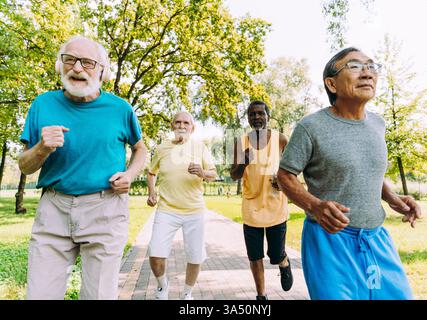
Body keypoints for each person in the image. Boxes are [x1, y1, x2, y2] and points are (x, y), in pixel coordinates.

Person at [277, 47, 422, 300]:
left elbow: (367, 169)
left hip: (376, 239)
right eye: (355, 66)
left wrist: (393, 198)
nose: (367, 73)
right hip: (329, 242)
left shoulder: (378, 124)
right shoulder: (311, 127)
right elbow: (285, 175)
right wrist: (315, 206)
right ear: (331, 84)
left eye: (372, 66)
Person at [18, 36, 147, 300]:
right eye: (70, 60)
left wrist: (130, 174)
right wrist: (42, 147)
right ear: (60, 65)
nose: (77, 68)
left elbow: (141, 149)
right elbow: (25, 165)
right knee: (40, 295)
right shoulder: (42, 104)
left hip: (105, 209)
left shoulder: (120, 109)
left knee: (99, 295)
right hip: (54, 208)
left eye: (87, 62)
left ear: (102, 71)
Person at [146, 111, 217, 300]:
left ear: (192, 128)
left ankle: (187, 293)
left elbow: (213, 174)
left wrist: (202, 172)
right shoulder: (162, 148)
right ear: (172, 125)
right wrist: (151, 192)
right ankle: (163, 287)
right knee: (155, 254)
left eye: (186, 123)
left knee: (195, 256)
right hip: (166, 210)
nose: (181, 126)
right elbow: (151, 172)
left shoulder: (200, 147)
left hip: (194, 211)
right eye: (177, 122)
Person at [230, 101, 293, 300]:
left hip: (276, 206)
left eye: (260, 113)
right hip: (251, 207)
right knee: (255, 256)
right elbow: (234, 175)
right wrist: (242, 164)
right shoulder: (240, 142)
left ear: (267, 116)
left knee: (274, 254)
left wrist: (282, 182)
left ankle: (283, 262)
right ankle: (261, 296)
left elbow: (293, 168)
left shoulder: (280, 139)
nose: (257, 117)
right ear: (248, 118)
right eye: (252, 114)